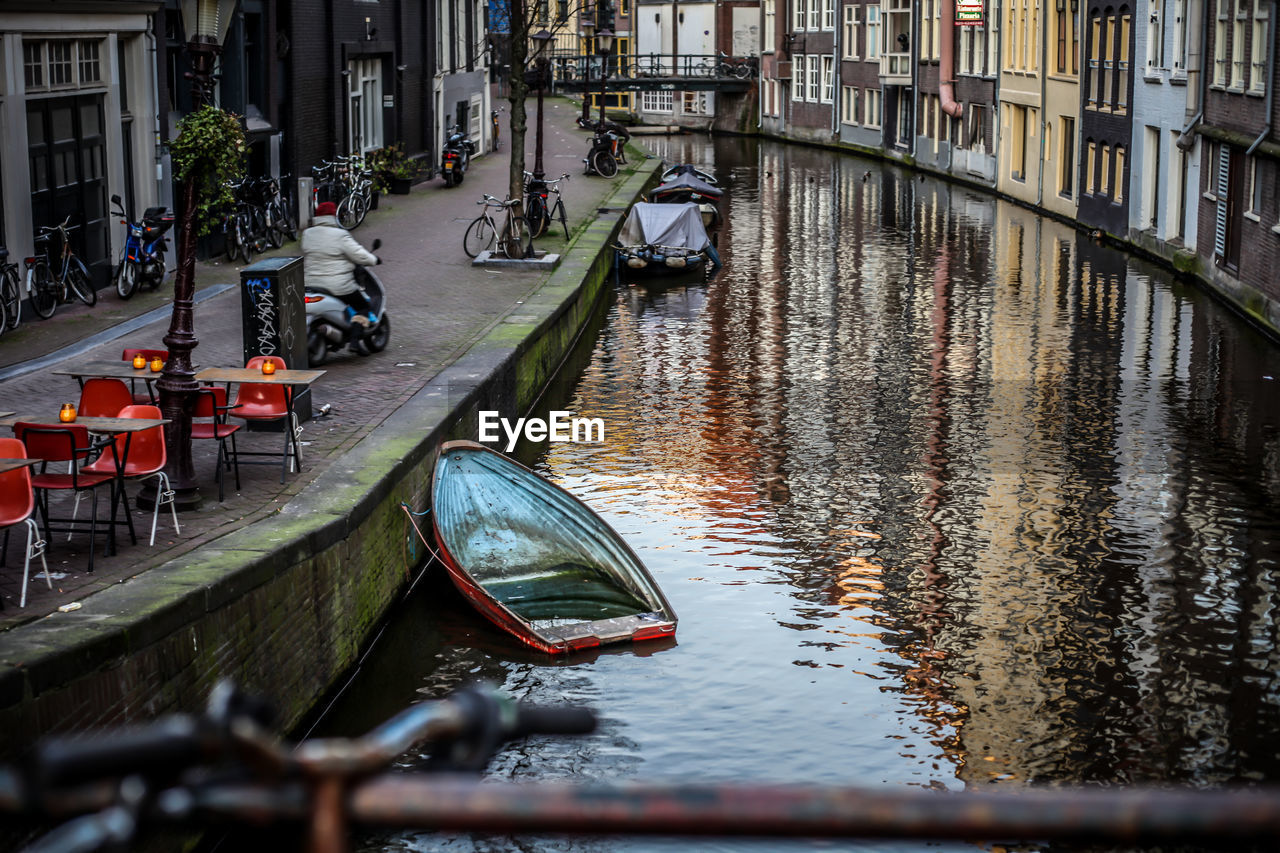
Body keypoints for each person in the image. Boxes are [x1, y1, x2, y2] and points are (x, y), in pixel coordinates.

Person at [302, 201, 378, 344]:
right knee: (363, 307)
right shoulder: (340, 235)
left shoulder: (307, 234)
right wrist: (374, 259)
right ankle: (355, 341)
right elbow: (359, 255)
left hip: (312, 284)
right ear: (333, 215)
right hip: (338, 286)